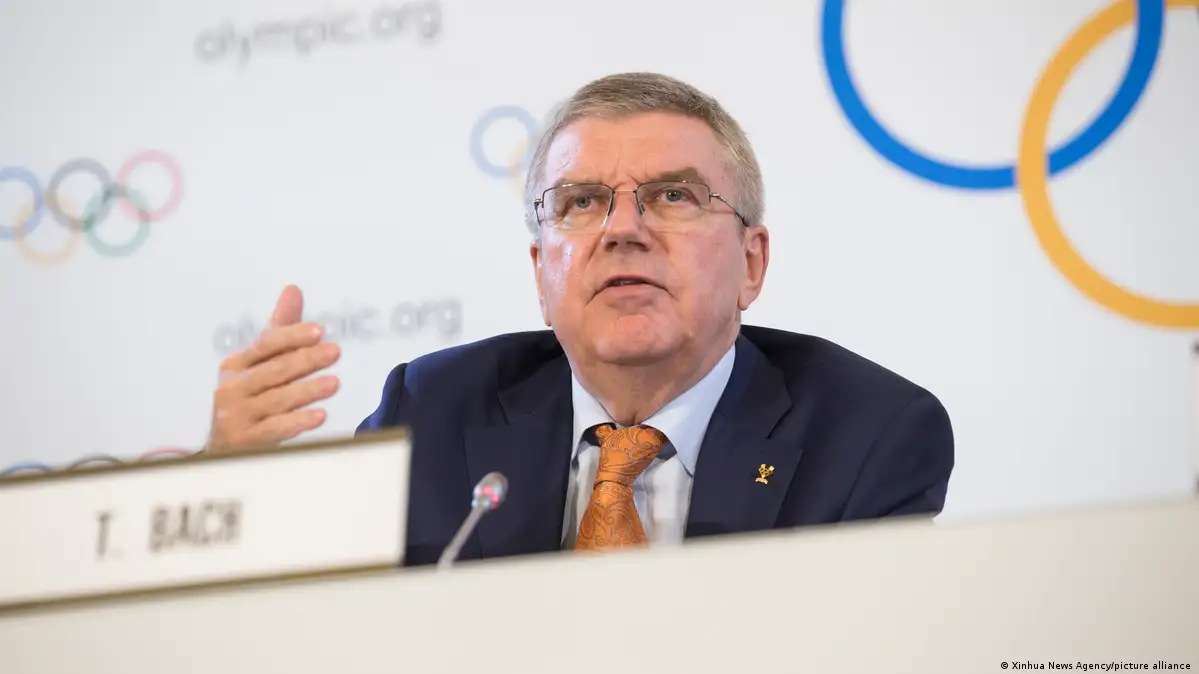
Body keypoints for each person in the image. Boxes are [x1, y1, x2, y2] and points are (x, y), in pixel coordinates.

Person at [207, 72, 954, 565]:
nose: (622, 229)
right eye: (582, 202)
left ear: (750, 264)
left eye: (673, 196)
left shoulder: (867, 436)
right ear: (540, 272)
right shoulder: (432, 412)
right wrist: (229, 488)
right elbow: (315, 622)